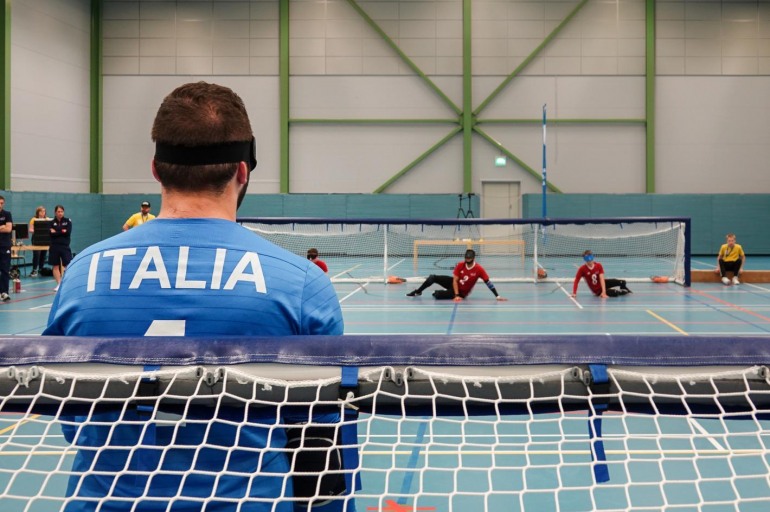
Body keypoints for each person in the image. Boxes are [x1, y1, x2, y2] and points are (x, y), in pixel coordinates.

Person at [43, 82, 345, 512]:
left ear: (156, 169)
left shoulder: (83, 273)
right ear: (243, 171)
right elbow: (319, 444)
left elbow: (70, 413)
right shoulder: (300, 283)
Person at [406, 249, 507, 301]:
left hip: (462, 292)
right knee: (432, 277)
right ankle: (418, 292)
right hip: (454, 285)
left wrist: (497, 296)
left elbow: (488, 282)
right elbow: (454, 280)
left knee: (437, 295)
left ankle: (443, 292)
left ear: (473, 258)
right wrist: (456, 294)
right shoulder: (460, 265)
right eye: (466, 258)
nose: (467, 260)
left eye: (469, 259)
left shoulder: (479, 269)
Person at [48, 205, 72, 292]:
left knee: (67, 265)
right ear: (55, 212)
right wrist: (61, 231)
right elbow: (51, 233)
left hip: (64, 246)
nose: (60, 213)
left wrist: (57, 231)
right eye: (58, 211)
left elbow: (67, 232)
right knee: (55, 266)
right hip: (54, 246)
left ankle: (67, 283)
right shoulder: (51, 222)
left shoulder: (68, 221)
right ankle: (59, 283)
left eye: (62, 211)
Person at [28, 206, 49, 277]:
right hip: (36, 239)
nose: (43, 213)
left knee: (43, 255)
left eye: (44, 211)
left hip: (45, 239)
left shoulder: (47, 219)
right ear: (38, 212)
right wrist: (38, 231)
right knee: (37, 255)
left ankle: (41, 269)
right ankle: (34, 270)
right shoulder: (33, 219)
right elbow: (30, 229)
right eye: (41, 211)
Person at [0, 196, 12, 302]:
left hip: (4, 245)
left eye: (2, 203)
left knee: (5, 270)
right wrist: (1, 227)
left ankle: (4, 292)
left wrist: (5, 227)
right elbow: (4, 228)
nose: (0, 205)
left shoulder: (7, 214)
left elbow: (8, 229)